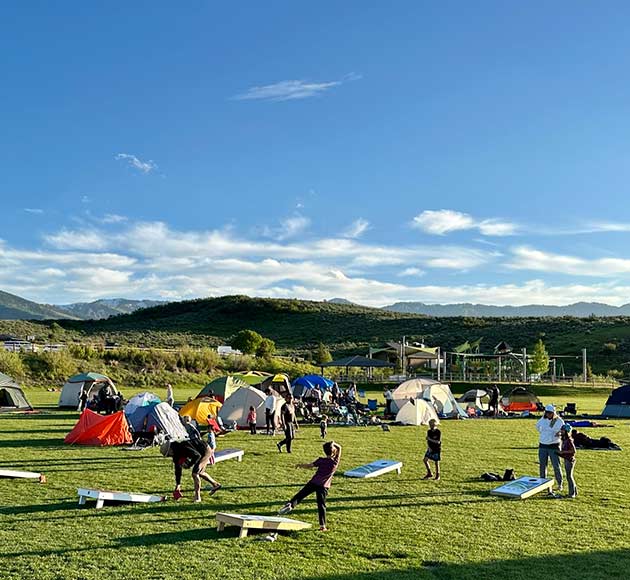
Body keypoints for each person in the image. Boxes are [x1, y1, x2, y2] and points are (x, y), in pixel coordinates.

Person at [278, 441, 342, 532]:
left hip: (313, 482)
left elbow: (309, 466)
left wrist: (300, 465)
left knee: (300, 495)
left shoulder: (321, 460)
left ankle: (291, 504)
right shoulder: (334, 462)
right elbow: (340, 448)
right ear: (333, 451)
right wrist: (334, 443)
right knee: (321, 505)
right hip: (323, 487)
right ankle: (322, 526)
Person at [162, 435, 221, 503]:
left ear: (171, 449)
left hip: (205, 450)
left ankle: (197, 497)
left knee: (195, 474)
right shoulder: (176, 455)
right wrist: (178, 485)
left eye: (168, 454)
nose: (169, 455)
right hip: (200, 452)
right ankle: (216, 485)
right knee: (200, 472)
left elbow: (197, 455)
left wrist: (189, 465)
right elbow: (178, 469)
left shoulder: (183, 447)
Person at [536, 404, 564, 495]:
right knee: (542, 465)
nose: (548, 415)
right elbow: (537, 427)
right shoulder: (542, 420)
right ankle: (542, 483)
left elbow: (565, 430)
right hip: (543, 445)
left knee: (556, 465)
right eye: (547, 413)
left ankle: (560, 483)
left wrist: (559, 434)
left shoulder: (559, 421)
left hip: (554, 446)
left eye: (550, 413)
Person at [558, 424, 577, 498]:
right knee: (569, 476)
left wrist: (563, 452)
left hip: (569, 460)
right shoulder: (565, 439)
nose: (561, 431)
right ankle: (574, 491)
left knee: (569, 477)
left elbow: (573, 451)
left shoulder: (569, 440)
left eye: (562, 430)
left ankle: (571, 494)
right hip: (567, 459)